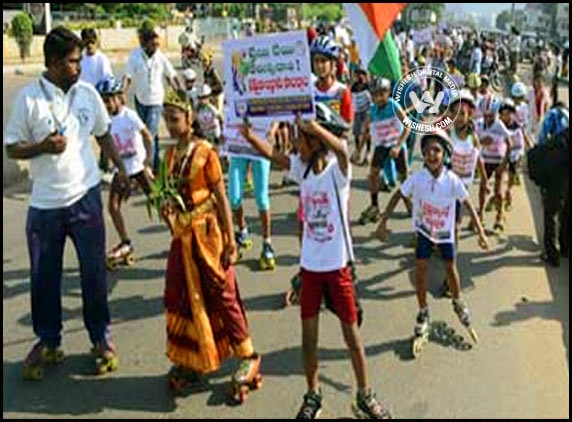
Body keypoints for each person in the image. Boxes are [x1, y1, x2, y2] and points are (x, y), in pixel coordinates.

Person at [240, 102, 392, 419]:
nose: (295, 143)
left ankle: (365, 395)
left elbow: (343, 149)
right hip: (310, 270)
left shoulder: (339, 174)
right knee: (309, 338)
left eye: (301, 138)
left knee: (352, 336)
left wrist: (314, 127)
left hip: (338, 270)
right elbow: (273, 155)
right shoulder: (302, 167)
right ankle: (313, 395)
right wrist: (250, 137)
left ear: (316, 141)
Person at [4, 27, 129, 379]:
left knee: (93, 274)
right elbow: (11, 147)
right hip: (45, 206)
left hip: (86, 198)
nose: (79, 66)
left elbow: (103, 133)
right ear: (54, 62)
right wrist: (42, 146)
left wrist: (121, 170)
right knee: (45, 277)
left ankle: (100, 337)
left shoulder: (87, 93)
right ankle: (48, 340)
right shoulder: (29, 98)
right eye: (73, 61)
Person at [159, 88, 262, 400]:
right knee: (181, 297)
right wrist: (167, 211)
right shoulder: (169, 155)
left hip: (208, 235)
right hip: (183, 237)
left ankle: (247, 355)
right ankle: (191, 358)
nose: (170, 125)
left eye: (174, 119)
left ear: (189, 119)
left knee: (222, 292)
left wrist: (231, 241)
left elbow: (221, 199)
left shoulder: (206, 153)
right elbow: (171, 197)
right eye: (166, 119)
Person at [376, 131, 489, 346]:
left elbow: (467, 204)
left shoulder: (452, 180)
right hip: (425, 232)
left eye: (436, 150)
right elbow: (398, 195)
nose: (431, 155)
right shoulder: (418, 178)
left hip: (445, 234)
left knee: (450, 267)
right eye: (427, 151)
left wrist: (481, 231)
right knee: (421, 270)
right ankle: (422, 310)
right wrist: (383, 221)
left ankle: (457, 301)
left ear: (445, 154)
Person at [95, 77, 154, 268]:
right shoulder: (104, 121)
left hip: (138, 167)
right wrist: (104, 165)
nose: (106, 104)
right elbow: (104, 144)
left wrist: (147, 162)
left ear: (119, 97)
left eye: (109, 99)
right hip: (121, 171)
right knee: (113, 207)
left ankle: (177, 234)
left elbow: (147, 136)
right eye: (103, 100)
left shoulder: (129, 116)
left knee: (158, 201)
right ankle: (126, 241)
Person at [123, 23, 181, 171]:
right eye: (153, 43)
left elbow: (171, 75)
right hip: (140, 99)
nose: (156, 46)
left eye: (158, 43)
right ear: (145, 43)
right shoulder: (135, 56)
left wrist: (178, 91)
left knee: (150, 132)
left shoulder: (160, 56)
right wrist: (122, 92)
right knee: (148, 135)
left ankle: (148, 167)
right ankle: (156, 163)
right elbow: (128, 76)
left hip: (156, 100)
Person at [359, 77, 410, 226]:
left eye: (382, 94)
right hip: (381, 145)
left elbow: (407, 127)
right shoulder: (372, 110)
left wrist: (399, 145)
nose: (378, 98)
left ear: (388, 93)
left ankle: (410, 205)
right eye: (375, 95)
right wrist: (359, 150)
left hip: (396, 144)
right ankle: (374, 205)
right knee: (373, 174)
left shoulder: (394, 106)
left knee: (404, 178)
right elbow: (365, 130)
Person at [536, 102, 569, 267]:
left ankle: (552, 255)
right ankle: (565, 248)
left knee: (551, 213)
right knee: (567, 212)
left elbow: (541, 140)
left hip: (556, 173)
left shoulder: (552, 116)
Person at [79, 27, 114, 181]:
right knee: (81, 136)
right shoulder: (80, 59)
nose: (90, 46)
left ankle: (104, 166)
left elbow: (107, 81)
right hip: (82, 103)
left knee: (104, 134)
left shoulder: (102, 60)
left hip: (99, 102)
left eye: (92, 42)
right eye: (87, 43)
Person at [475, 97, 513, 232]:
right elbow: (474, 141)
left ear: (496, 114)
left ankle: (499, 215)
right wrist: (480, 141)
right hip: (485, 160)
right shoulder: (479, 124)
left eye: (490, 116)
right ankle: (480, 214)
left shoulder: (499, 125)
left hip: (498, 160)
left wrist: (504, 163)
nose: (487, 119)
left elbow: (510, 144)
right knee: (482, 187)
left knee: (498, 191)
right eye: (485, 116)